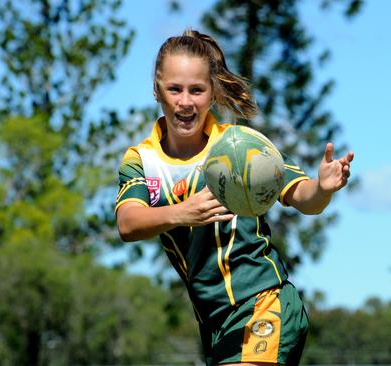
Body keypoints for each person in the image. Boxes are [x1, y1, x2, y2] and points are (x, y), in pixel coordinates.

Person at [115, 29, 354, 366]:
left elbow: (302, 197)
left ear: (212, 93)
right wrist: (183, 213)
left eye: (197, 90)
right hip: (215, 326)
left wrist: (322, 188)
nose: (185, 102)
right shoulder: (141, 160)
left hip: (265, 302)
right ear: (157, 90)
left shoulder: (240, 146)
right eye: (175, 89)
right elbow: (128, 223)